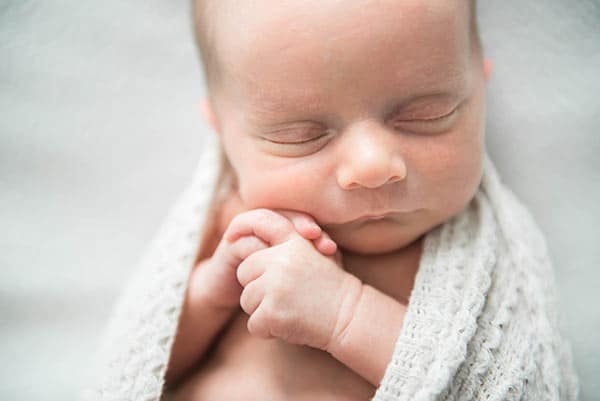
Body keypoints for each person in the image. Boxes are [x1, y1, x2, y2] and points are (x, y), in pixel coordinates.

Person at [82, 1, 579, 400]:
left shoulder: (485, 258)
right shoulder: (235, 225)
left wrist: (344, 314)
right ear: (222, 132)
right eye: (301, 136)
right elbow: (148, 361)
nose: (371, 166)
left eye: (427, 115)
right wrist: (212, 294)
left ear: (479, 89)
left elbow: (517, 386)